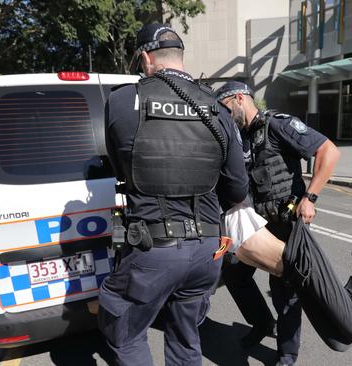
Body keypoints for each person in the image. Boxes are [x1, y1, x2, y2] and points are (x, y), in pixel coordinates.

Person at [99, 24, 248, 366]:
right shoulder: (217, 108)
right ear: (180, 57)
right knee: (185, 339)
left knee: (123, 331)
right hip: (207, 254)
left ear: (146, 58)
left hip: (154, 251)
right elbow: (237, 189)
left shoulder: (122, 100)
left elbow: (119, 169)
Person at [215, 81, 338, 366]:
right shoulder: (240, 137)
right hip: (256, 224)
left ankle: (286, 353)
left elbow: (329, 152)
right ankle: (261, 324)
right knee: (233, 273)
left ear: (238, 98)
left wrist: (310, 197)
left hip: (285, 222)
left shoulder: (278, 125)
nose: (223, 114)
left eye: (224, 107)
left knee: (285, 290)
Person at [222, 187, 352, 353]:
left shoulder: (226, 201)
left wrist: (309, 198)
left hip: (302, 263)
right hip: (291, 276)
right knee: (339, 342)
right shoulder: (214, 224)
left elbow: (328, 151)